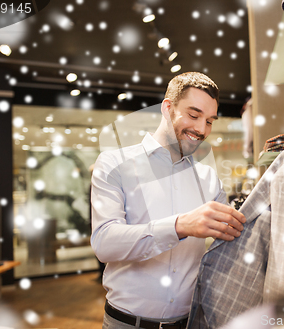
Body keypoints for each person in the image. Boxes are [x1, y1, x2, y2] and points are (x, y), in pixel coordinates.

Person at [91, 72, 246, 329]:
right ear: (167, 107)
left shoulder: (209, 179)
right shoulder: (114, 164)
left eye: (209, 121)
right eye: (194, 115)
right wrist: (179, 226)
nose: (201, 129)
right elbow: (104, 243)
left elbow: (225, 250)